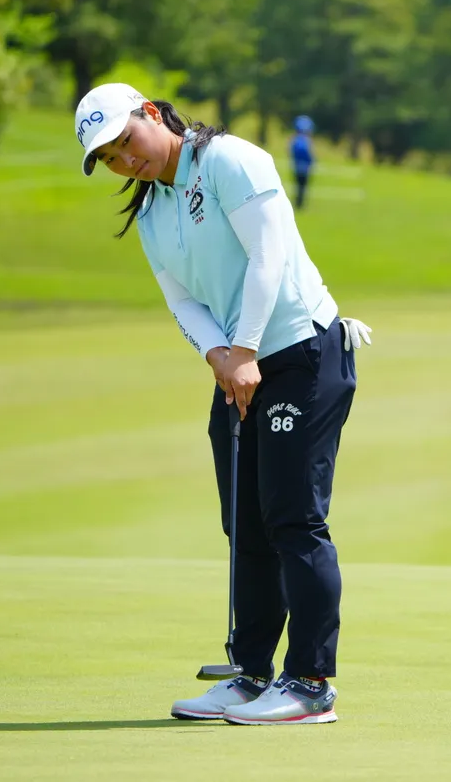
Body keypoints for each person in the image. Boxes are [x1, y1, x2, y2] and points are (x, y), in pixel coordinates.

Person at [73, 83, 373, 726]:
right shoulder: (151, 213)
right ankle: (251, 675)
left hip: (301, 352)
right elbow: (183, 300)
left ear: (151, 114)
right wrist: (220, 355)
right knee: (246, 525)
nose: (126, 160)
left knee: (293, 520)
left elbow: (269, 256)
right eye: (110, 159)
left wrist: (243, 348)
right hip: (240, 366)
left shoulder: (230, 160)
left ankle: (310, 684)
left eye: (126, 141)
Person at [290, 115, 316, 210]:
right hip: (305, 167)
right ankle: (300, 204)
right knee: (303, 187)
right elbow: (310, 154)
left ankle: (298, 203)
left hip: (297, 166)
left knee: (298, 186)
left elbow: (292, 152)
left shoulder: (295, 139)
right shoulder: (307, 140)